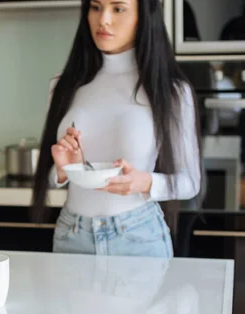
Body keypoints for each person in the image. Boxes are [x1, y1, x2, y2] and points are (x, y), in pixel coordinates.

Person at [30, 0, 202, 258]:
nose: (104, 20)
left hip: (137, 237)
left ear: (143, 17)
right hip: (71, 235)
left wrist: (145, 182)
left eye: (118, 9)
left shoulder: (171, 91)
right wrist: (65, 168)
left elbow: (190, 183)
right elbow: (50, 179)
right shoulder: (62, 85)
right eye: (96, 7)